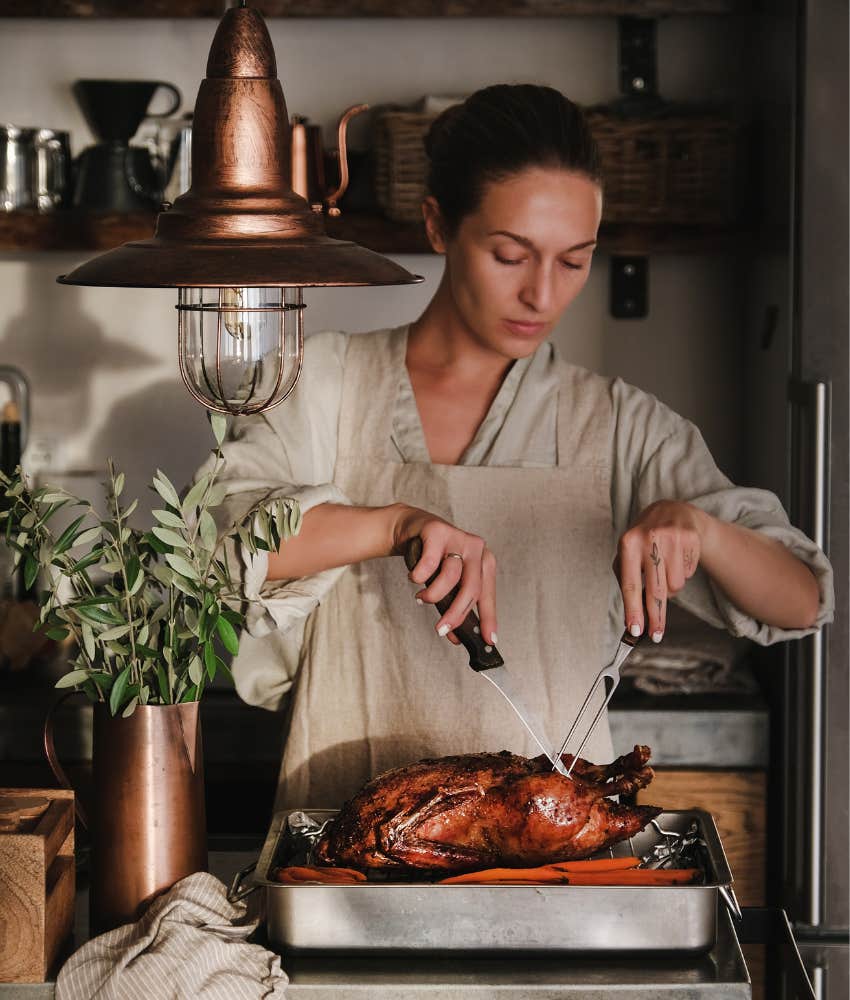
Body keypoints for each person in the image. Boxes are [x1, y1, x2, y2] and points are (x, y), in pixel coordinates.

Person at [204, 84, 834, 811]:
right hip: (347, 851)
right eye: (511, 254)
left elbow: (800, 599)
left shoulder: (618, 423)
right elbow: (220, 550)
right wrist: (391, 526)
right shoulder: (327, 386)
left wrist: (701, 528)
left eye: (574, 261)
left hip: (561, 872)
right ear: (439, 226)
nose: (542, 293)